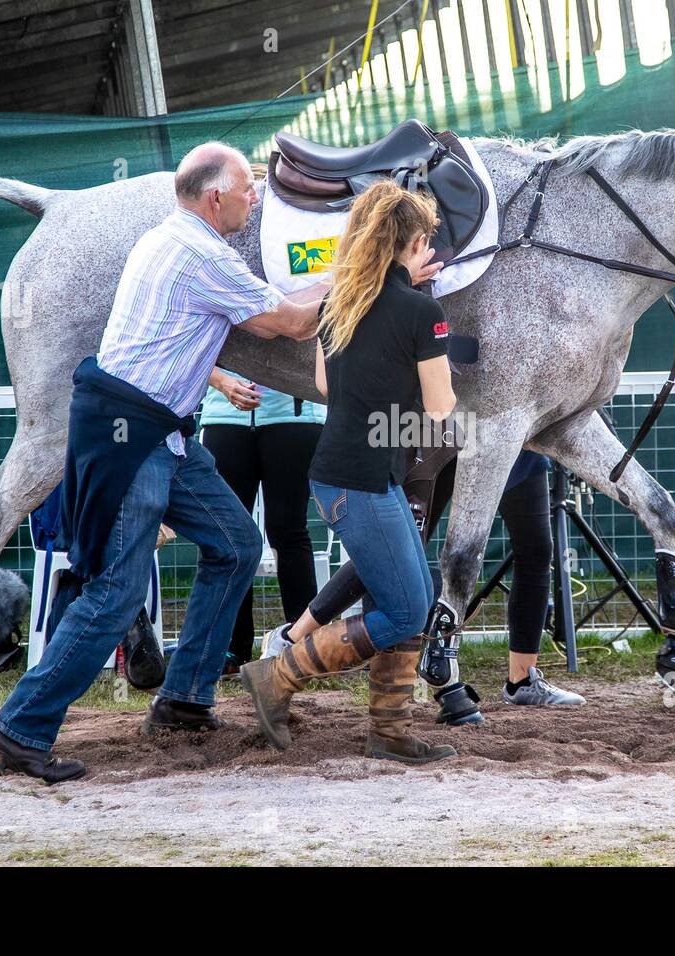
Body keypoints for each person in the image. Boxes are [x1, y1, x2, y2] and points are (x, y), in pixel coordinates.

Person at [0, 143, 325, 783]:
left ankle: (185, 700)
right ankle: (15, 734)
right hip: (130, 434)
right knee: (113, 595)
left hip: (163, 429)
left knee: (237, 544)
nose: (257, 197)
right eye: (249, 187)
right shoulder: (201, 253)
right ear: (215, 197)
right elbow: (296, 324)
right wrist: (367, 268)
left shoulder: (169, 236)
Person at [239, 178, 456, 764]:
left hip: (339, 473)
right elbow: (440, 409)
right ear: (410, 243)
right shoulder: (422, 310)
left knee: (414, 593)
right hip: (364, 480)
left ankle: (389, 732)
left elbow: (325, 385)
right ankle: (280, 674)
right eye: (424, 239)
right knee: (409, 609)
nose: (426, 248)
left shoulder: (339, 301)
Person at [263, 446, 586, 723]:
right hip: (448, 437)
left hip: (515, 438)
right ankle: (290, 637)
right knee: (395, 549)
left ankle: (522, 679)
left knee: (537, 548)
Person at [198, 372, 325, 673]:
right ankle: (229, 647)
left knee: (288, 531)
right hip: (224, 418)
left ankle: (305, 644)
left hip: (294, 420)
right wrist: (221, 382)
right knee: (226, 538)